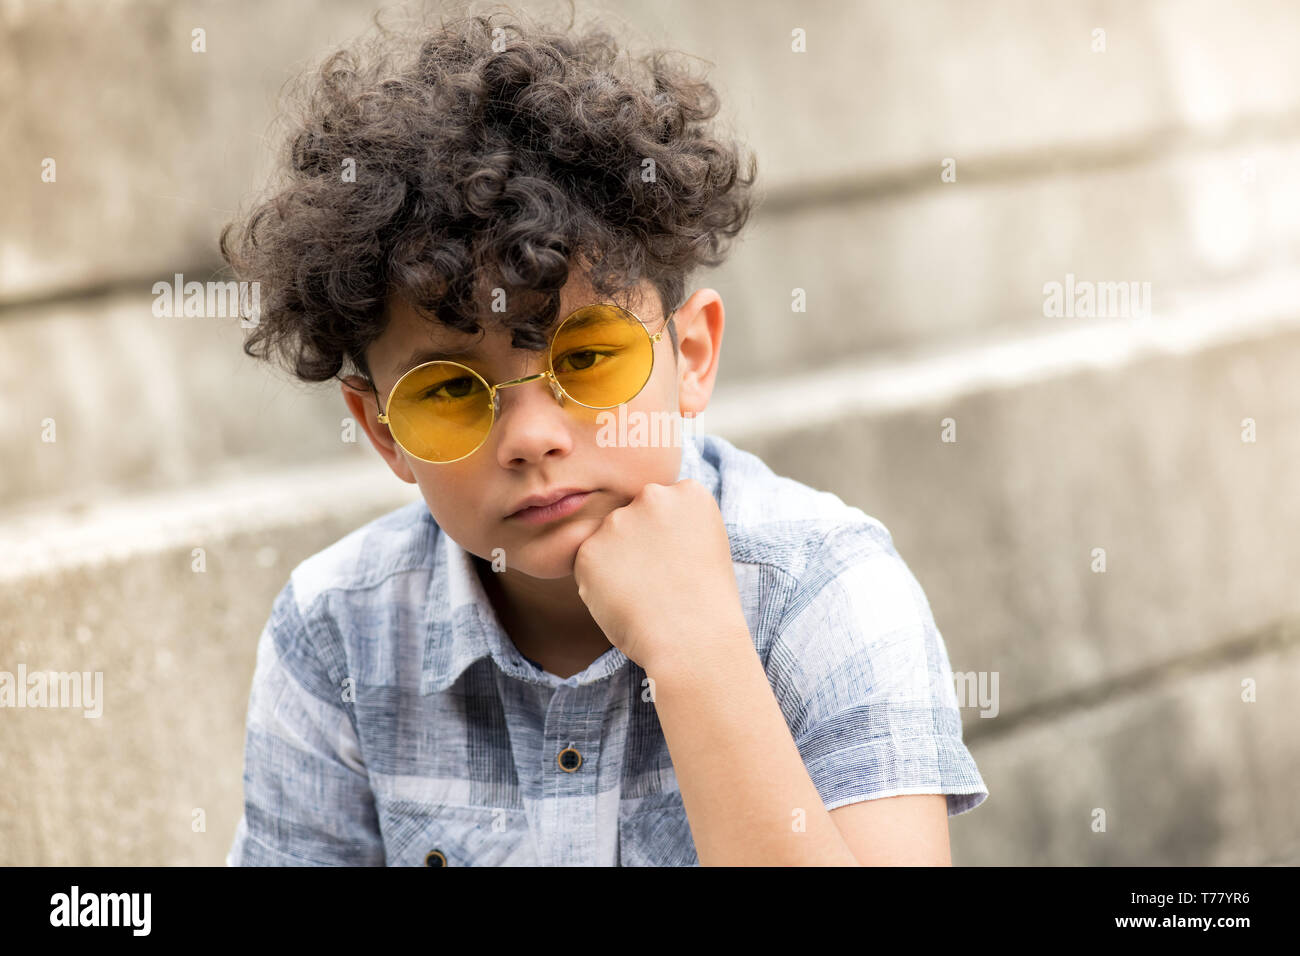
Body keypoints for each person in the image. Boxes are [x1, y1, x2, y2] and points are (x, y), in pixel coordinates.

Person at [220, 7, 987, 867]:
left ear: (690, 356)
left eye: (586, 359)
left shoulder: (824, 590)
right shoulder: (336, 633)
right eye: (449, 392)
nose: (533, 437)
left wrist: (698, 654)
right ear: (382, 432)